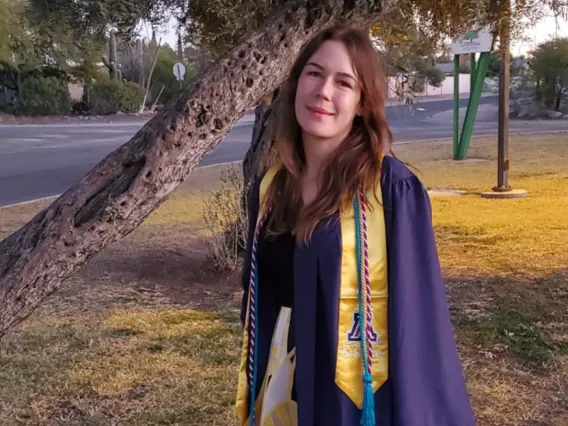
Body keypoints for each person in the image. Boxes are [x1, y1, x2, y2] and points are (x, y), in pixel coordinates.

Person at [235, 25, 475, 426]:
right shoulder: (270, 188)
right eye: (314, 73)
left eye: (344, 82)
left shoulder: (391, 190)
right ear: (296, 84)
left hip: (351, 392)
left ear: (363, 102)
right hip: (283, 380)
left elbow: (417, 325)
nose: (324, 91)